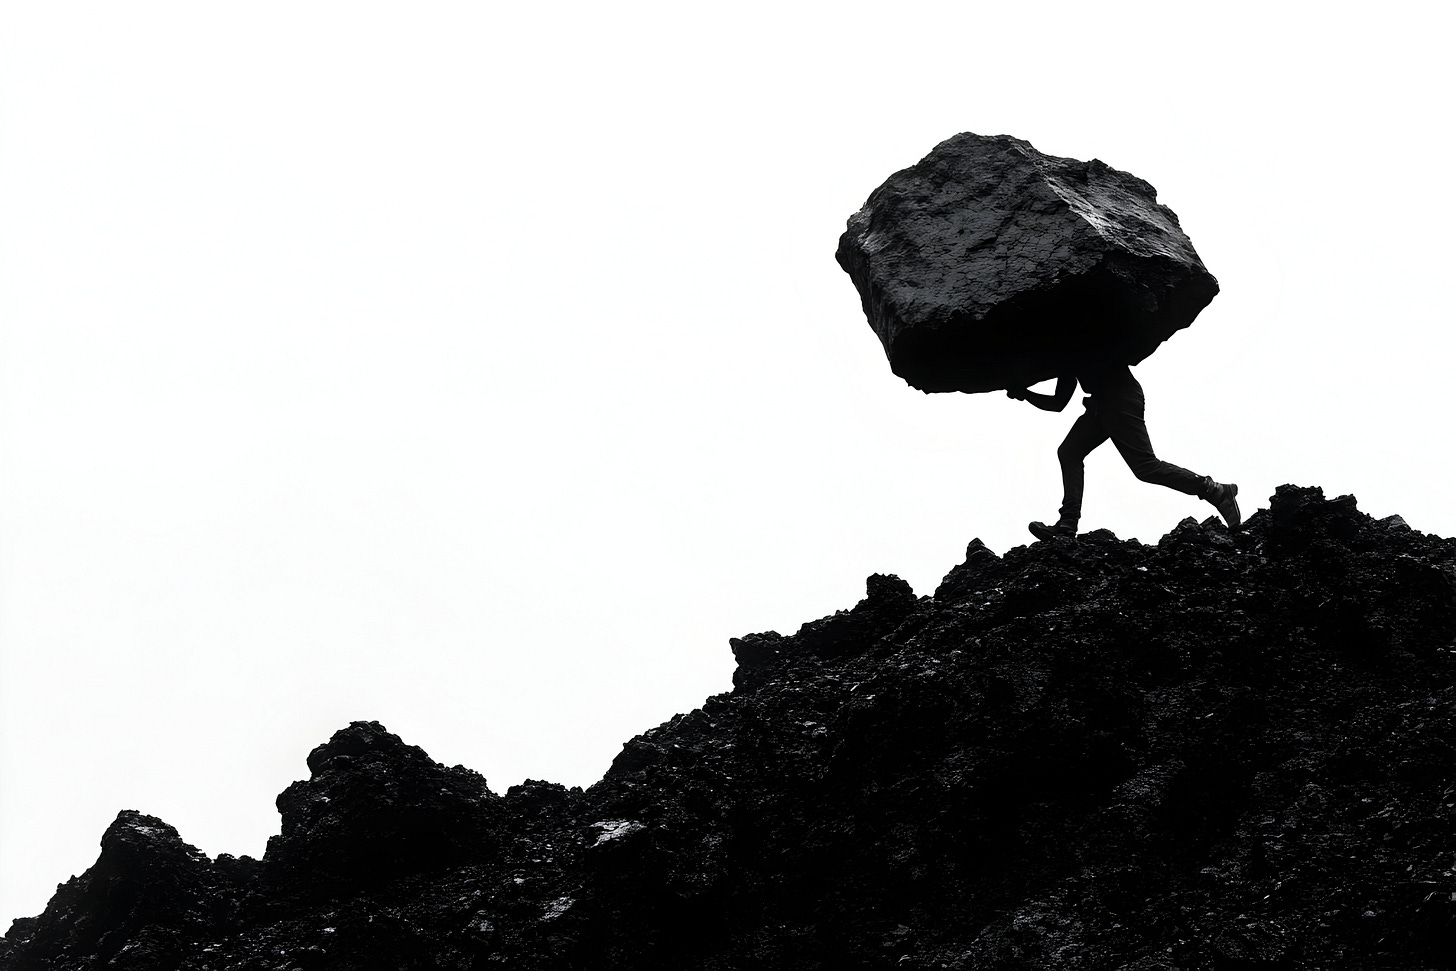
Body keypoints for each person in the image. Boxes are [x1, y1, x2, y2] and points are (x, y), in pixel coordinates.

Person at [1007, 356, 1240, 540]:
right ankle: (1067, 524)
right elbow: (1058, 403)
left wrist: (1024, 390)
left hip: (1120, 395)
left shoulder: (1081, 336)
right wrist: (1025, 393)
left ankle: (1215, 490)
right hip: (1102, 403)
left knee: (1146, 467)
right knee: (1069, 452)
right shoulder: (1065, 354)